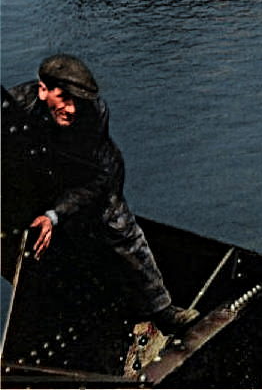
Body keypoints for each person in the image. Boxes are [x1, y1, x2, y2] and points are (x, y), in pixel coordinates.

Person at [3, 54, 199, 335]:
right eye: (64, 99)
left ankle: (162, 310)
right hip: (41, 176)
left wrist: (53, 216)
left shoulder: (94, 115)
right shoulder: (17, 108)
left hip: (94, 178)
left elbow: (94, 180)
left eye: (76, 102)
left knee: (121, 229)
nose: (71, 109)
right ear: (43, 90)